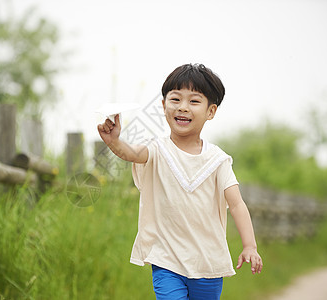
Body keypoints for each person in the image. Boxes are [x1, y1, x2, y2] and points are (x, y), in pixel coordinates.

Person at [97, 63, 262, 300]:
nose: (183, 107)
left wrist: (250, 246)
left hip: (208, 263)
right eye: (175, 99)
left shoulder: (218, 160)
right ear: (164, 105)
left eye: (194, 101)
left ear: (211, 111)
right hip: (166, 260)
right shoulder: (156, 149)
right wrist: (113, 141)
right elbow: (132, 153)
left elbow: (236, 204)